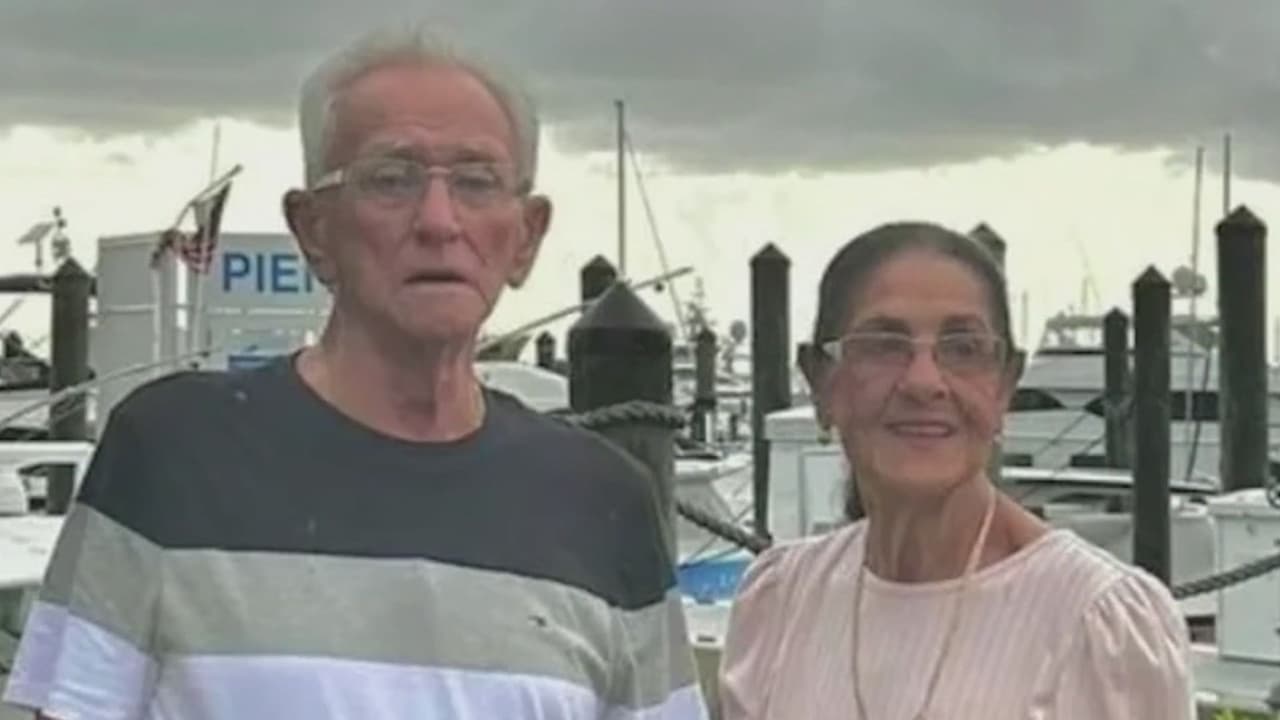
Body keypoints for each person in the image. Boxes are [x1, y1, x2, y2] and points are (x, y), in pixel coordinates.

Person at [3, 25, 707, 720]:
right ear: (313, 229)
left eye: (476, 182)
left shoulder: (603, 502)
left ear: (526, 236)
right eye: (391, 180)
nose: (438, 221)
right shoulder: (171, 455)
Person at [718, 222, 1194, 719]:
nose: (924, 381)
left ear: (1004, 386)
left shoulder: (1095, 623)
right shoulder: (780, 602)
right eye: (883, 344)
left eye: (964, 348)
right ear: (821, 382)